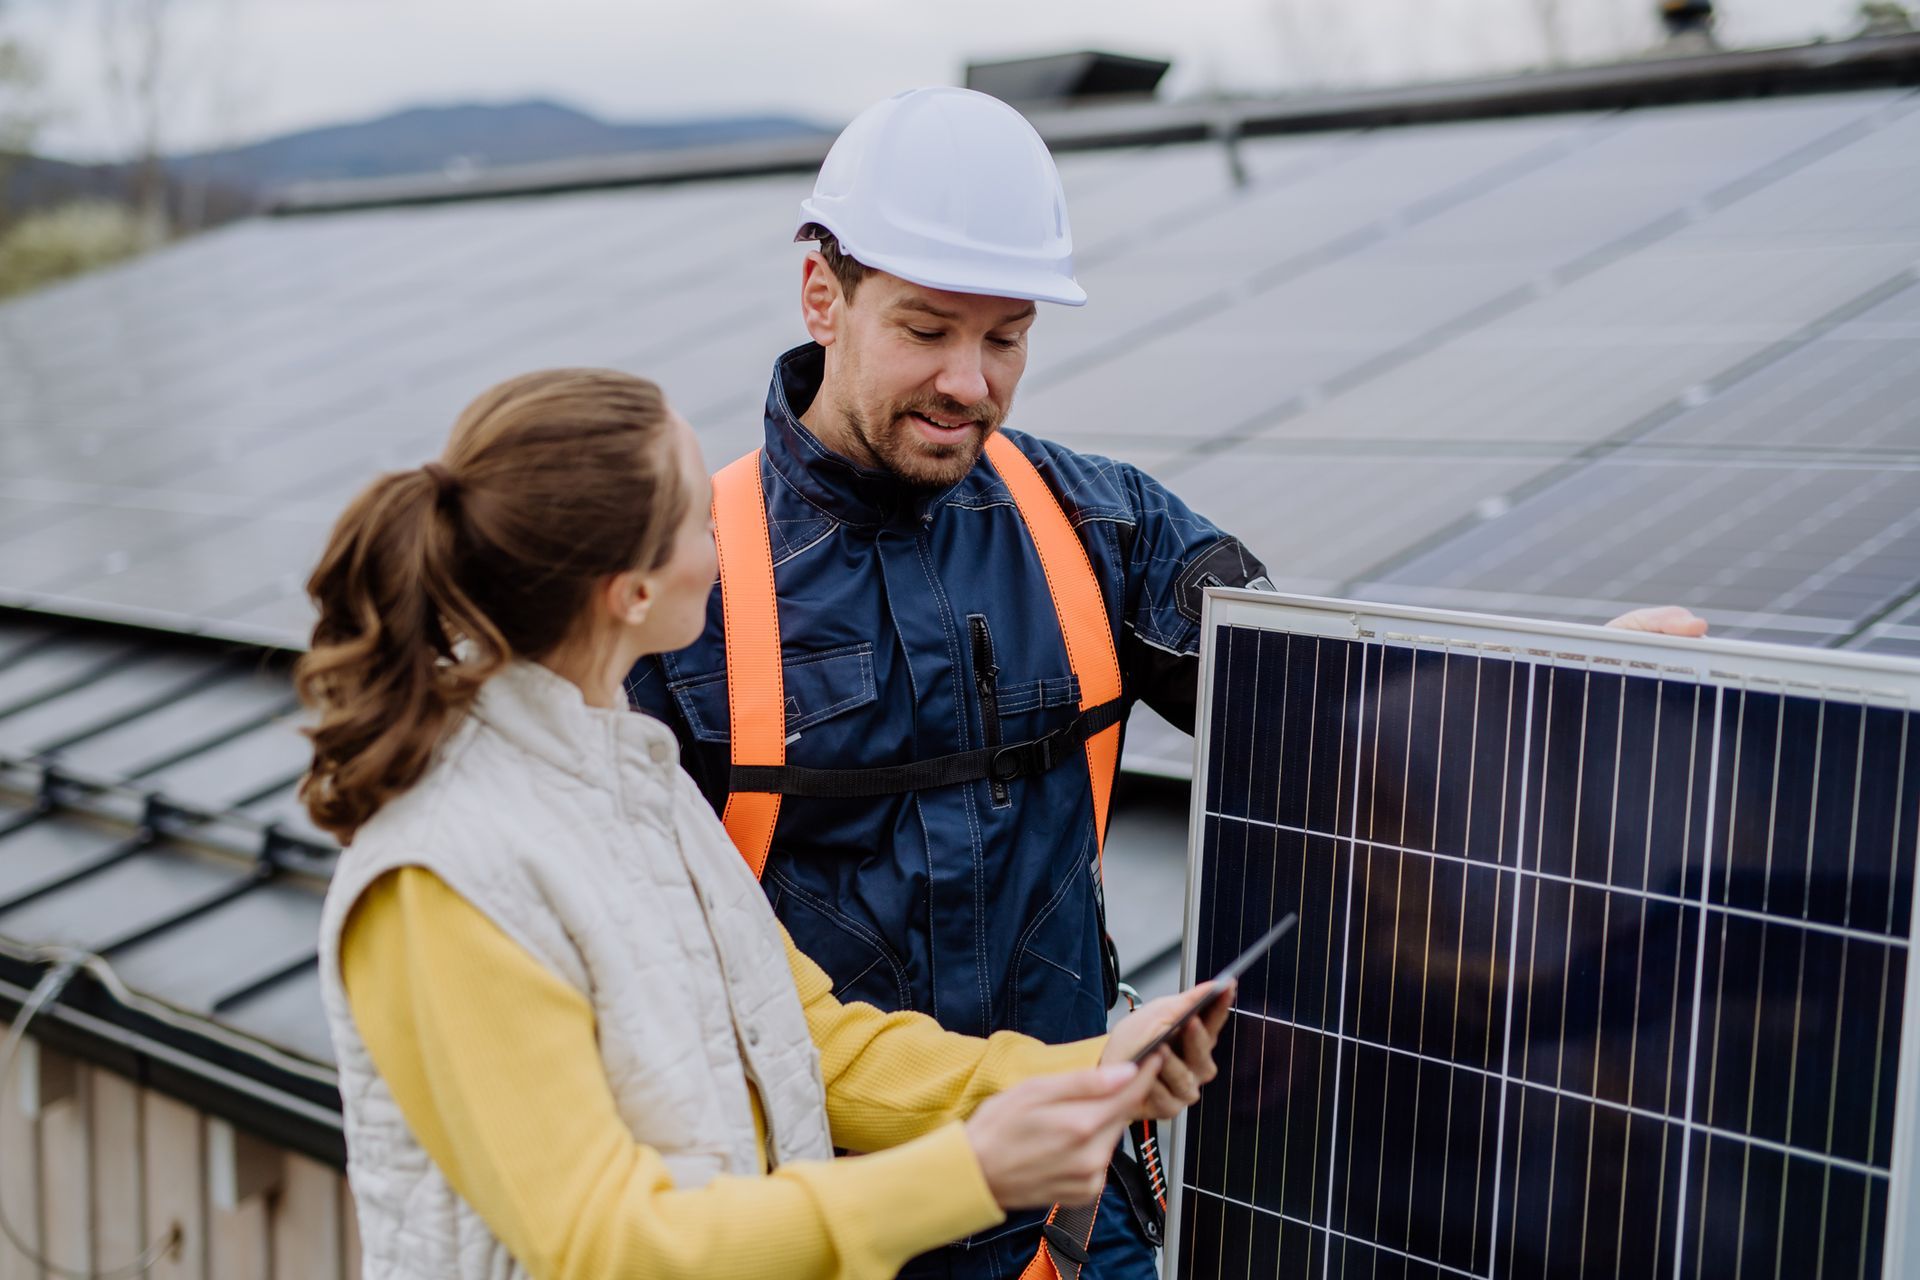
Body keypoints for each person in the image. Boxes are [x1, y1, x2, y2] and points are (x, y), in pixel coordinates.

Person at [625, 86, 1709, 1279]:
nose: (972, 383)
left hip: (1081, 1232)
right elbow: (652, 987)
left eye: (1007, 337)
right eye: (927, 330)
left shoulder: (1097, 527)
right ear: (822, 294)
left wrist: (1557, 679)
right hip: (832, 1237)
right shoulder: (686, 587)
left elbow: (1327, 707)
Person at [301, 368, 1229, 1280]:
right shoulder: (443, 876)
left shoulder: (641, 790)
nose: (723, 529)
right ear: (629, 591)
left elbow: (816, 1044)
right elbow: (607, 1245)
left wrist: (1093, 1069)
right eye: (692, 518)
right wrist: (971, 1173)